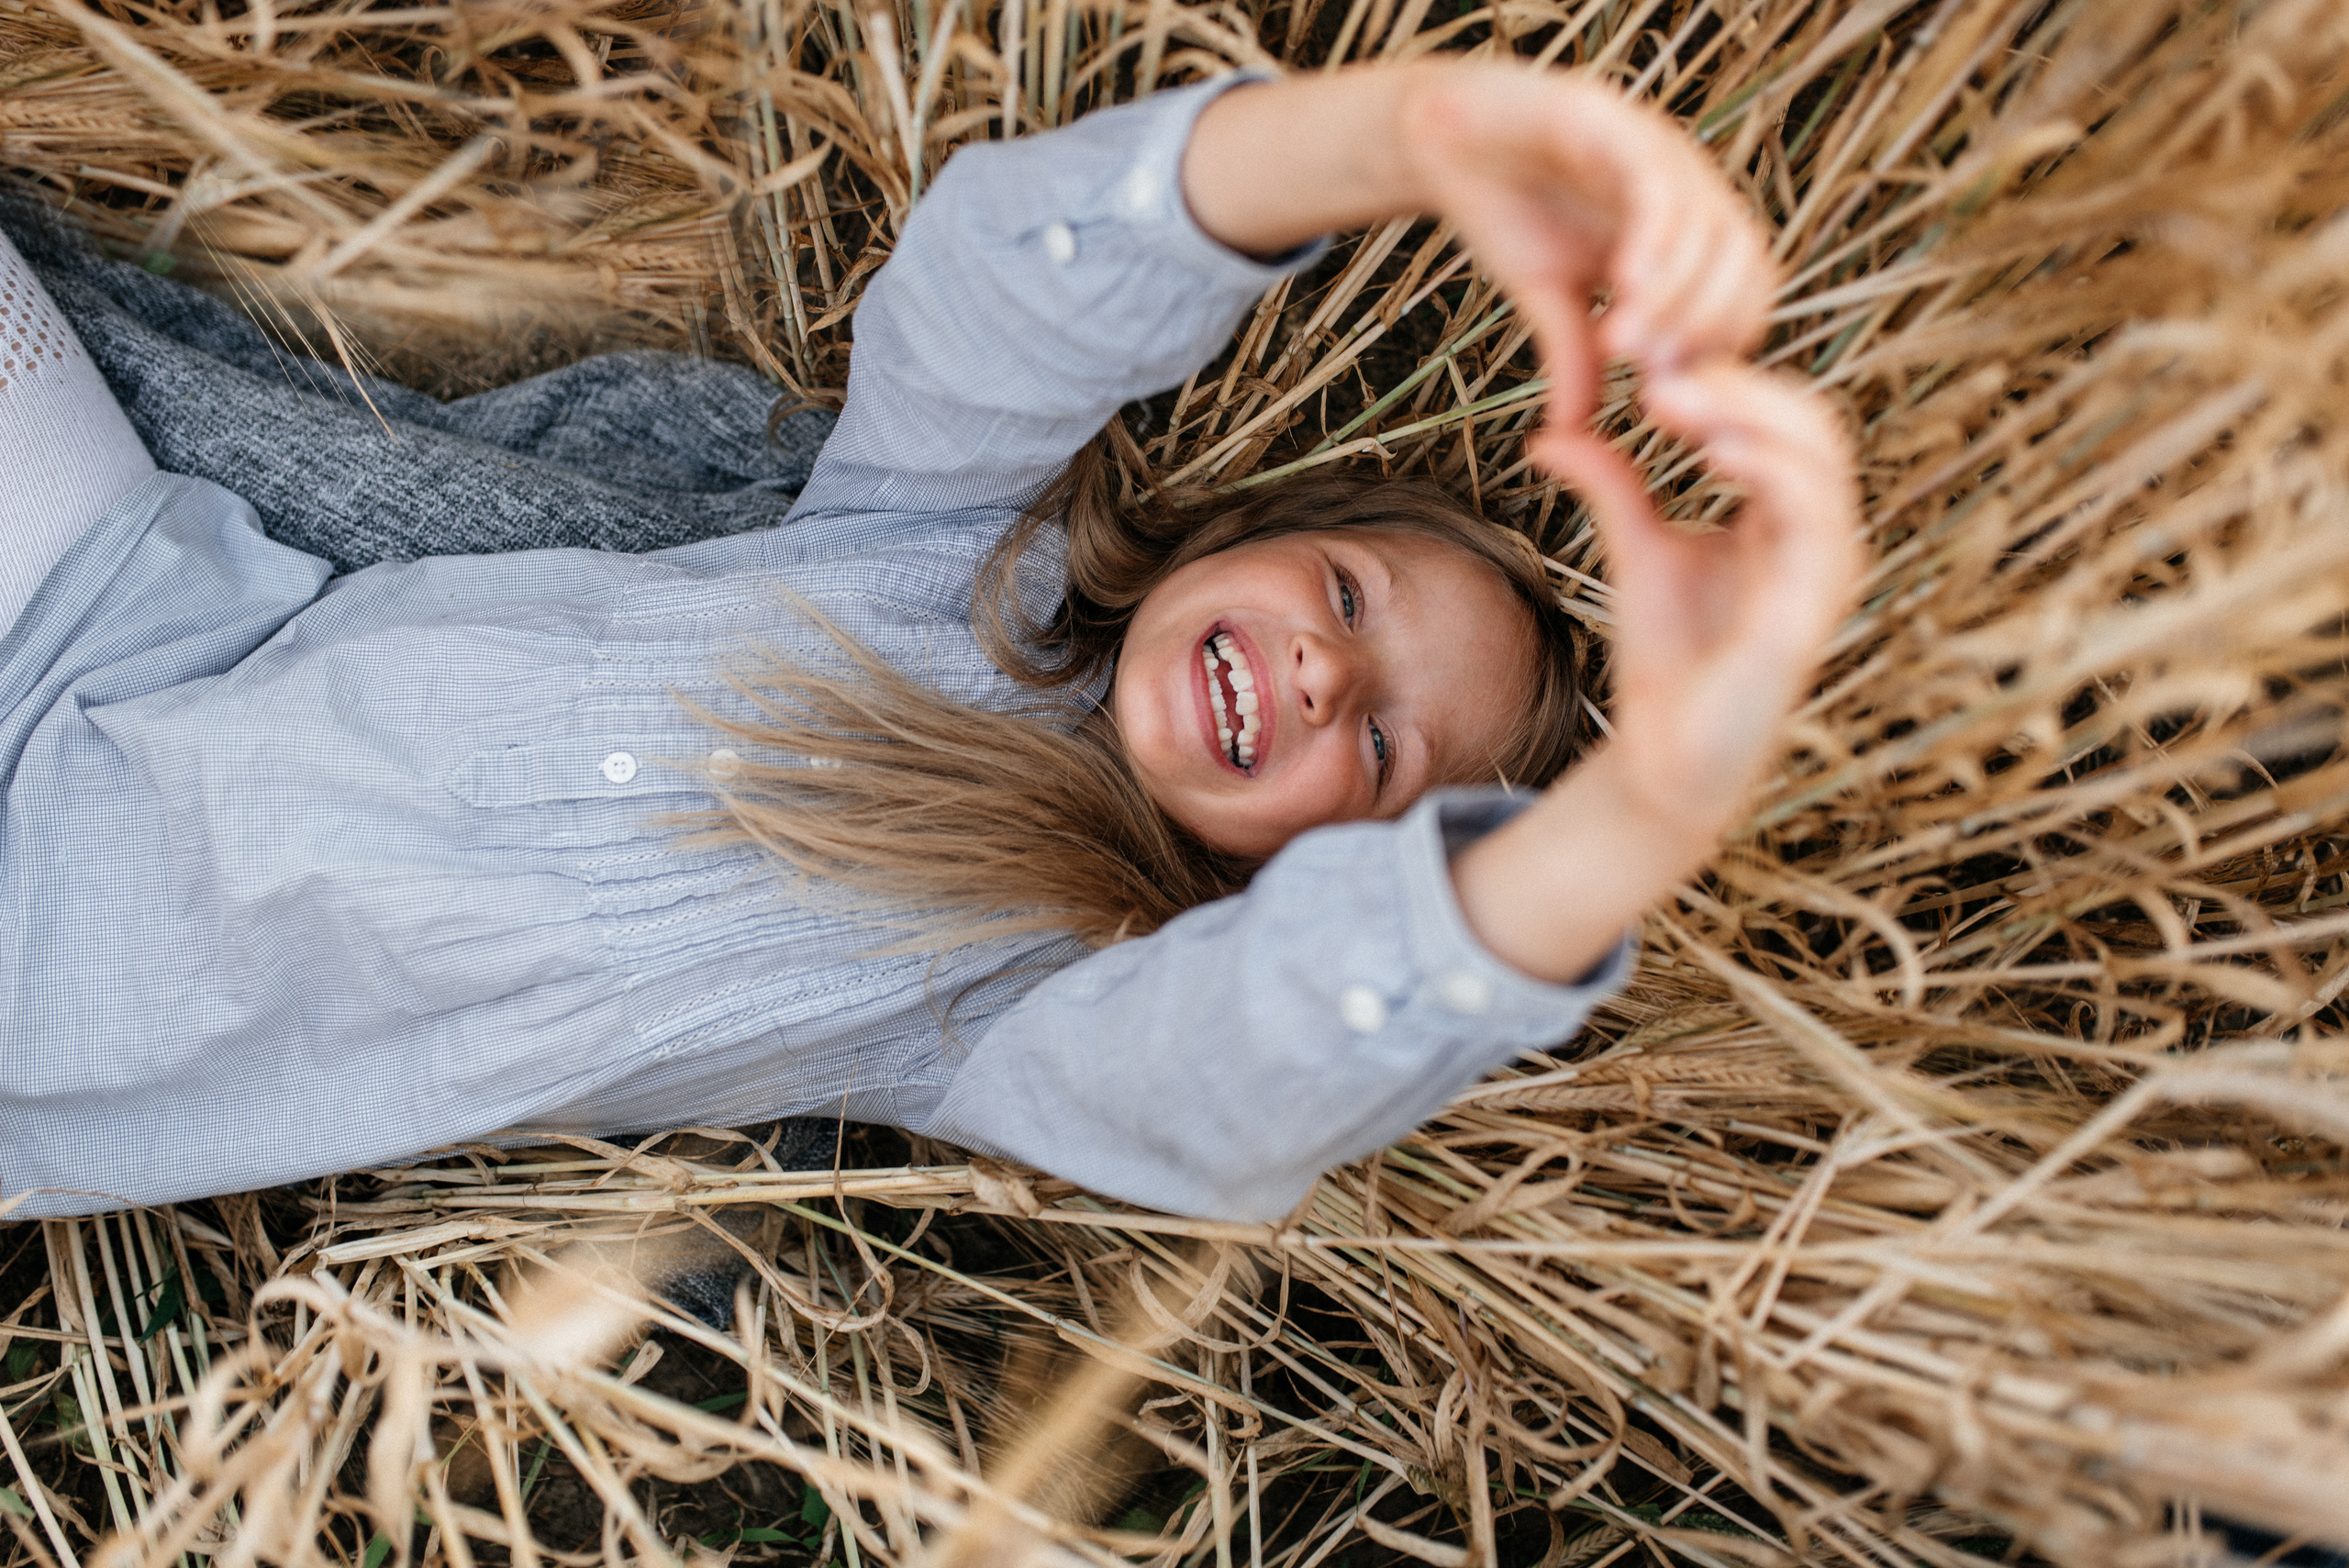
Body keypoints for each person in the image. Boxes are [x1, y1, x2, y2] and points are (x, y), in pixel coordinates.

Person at [0, 59, 1856, 1222]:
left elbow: (1250, 1059)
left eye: (1374, 748)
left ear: (1306, 874)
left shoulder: (1004, 1008)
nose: (1316, 674)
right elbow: (1007, 293)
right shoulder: (945, 552)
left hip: (50, 997)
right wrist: (1419, 129)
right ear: (1249, 546)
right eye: (1348, 603)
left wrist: (1654, 794)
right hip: (108, 613)